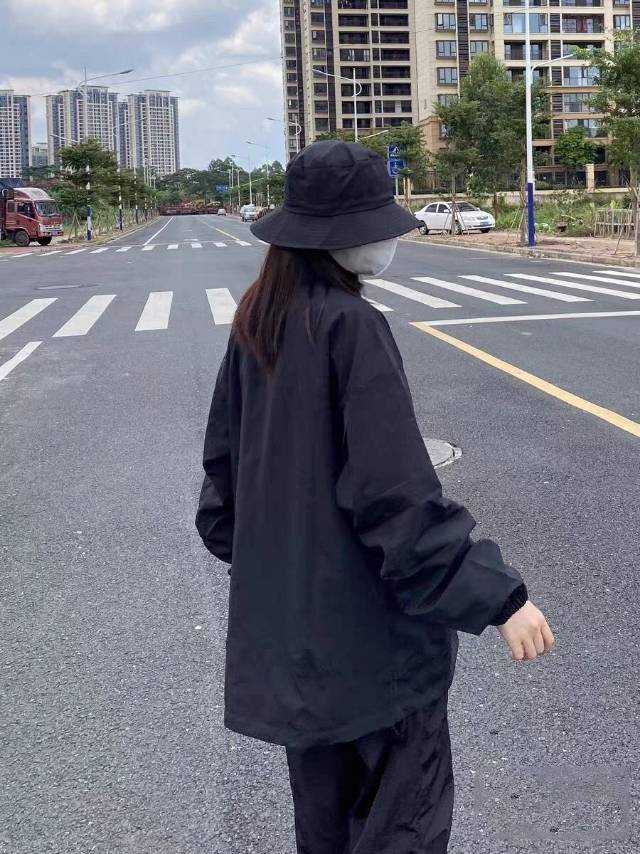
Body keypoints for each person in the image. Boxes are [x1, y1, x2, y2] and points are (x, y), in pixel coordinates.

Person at [195, 140, 554, 854]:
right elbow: (395, 498)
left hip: (302, 659)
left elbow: (221, 500)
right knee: (401, 830)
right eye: (378, 225)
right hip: (376, 659)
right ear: (341, 238)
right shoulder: (352, 326)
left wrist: (293, 571)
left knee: (325, 834)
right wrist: (502, 598)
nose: (391, 239)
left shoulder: (259, 322)